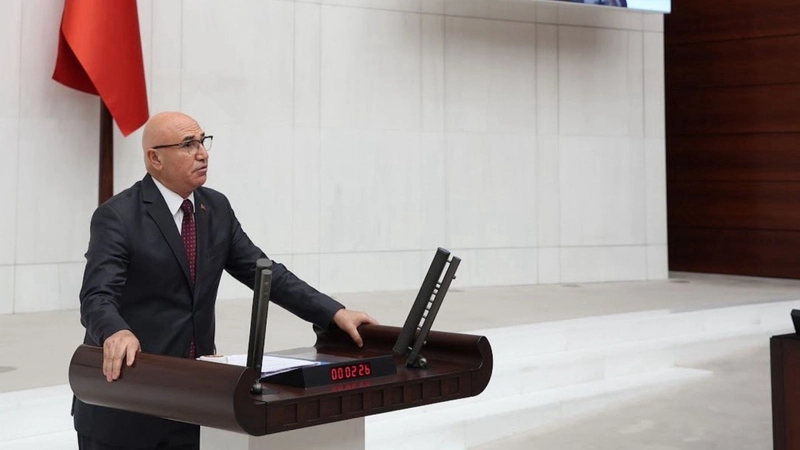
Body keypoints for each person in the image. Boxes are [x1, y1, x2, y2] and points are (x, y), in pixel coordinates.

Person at [73, 111, 377, 449]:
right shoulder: (118, 216)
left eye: (203, 141)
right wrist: (115, 331)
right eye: (188, 144)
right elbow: (96, 296)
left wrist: (333, 312)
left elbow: (265, 273)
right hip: (127, 404)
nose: (203, 153)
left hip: (195, 401)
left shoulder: (215, 208)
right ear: (155, 158)